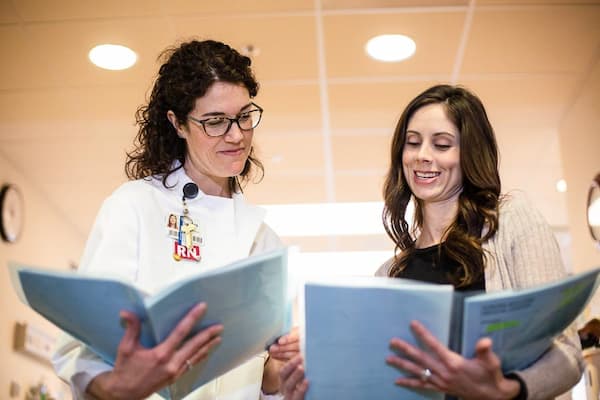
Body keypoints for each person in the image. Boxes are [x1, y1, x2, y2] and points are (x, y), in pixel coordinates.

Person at [279, 84, 583, 400]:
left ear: (470, 153)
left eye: (441, 144)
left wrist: (508, 390)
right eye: (413, 143)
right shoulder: (389, 274)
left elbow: (568, 352)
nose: (423, 156)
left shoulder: (510, 221)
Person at [52, 39, 296, 400]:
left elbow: (264, 386)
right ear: (177, 123)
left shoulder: (264, 241)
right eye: (215, 121)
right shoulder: (134, 207)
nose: (237, 134)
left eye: (245, 116)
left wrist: (274, 377)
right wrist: (117, 388)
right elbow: (81, 352)